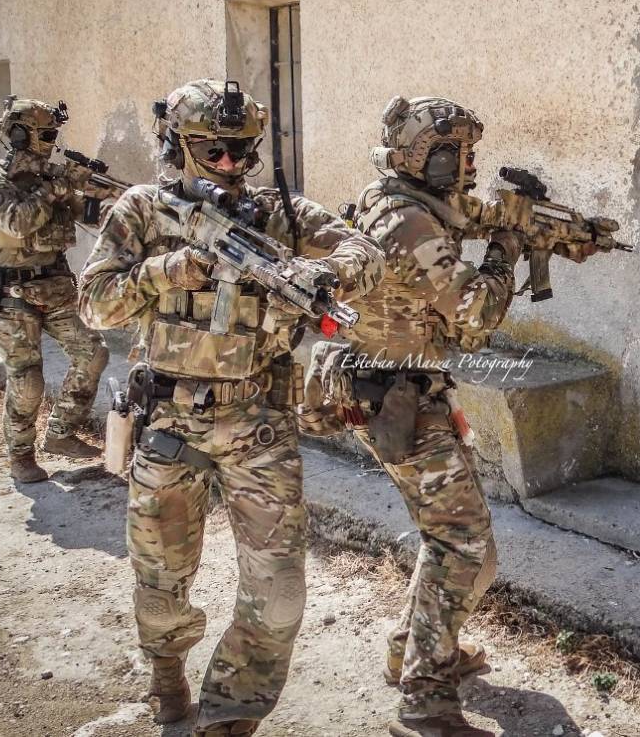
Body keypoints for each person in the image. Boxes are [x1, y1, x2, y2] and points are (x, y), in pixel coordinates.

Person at [79, 79, 384, 736]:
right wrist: (169, 271)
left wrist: (323, 275)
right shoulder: (140, 209)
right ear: (178, 145)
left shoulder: (279, 216)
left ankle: (233, 707)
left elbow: (366, 251)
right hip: (167, 420)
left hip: (257, 424)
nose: (229, 165)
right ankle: (167, 674)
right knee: (161, 586)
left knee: (279, 595)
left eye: (242, 152)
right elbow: (94, 303)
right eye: (212, 151)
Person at [306, 96, 520, 737]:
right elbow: (476, 315)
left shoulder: (399, 201)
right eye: (452, 153)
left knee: (451, 540)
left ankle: (415, 650)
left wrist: (524, 221)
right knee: (464, 545)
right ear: (417, 156)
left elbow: (470, 214)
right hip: (401, 402)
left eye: (469, 153)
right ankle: (424, 702)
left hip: (403, 392)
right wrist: (507, 252)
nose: (465, 165)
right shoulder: (408, 224)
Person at [0, 96, 107, 483]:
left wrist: (101, 199)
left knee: (93, 354)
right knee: (28, 381)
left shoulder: (50, 181)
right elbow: (18, 223)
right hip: (13, 296)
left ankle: (61, 433)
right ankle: (21, 456)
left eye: (53, 134)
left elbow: (88, 218)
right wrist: (58, 186)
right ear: (17, 135)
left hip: (56, 290)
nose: (50, 141)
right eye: (45, 133)